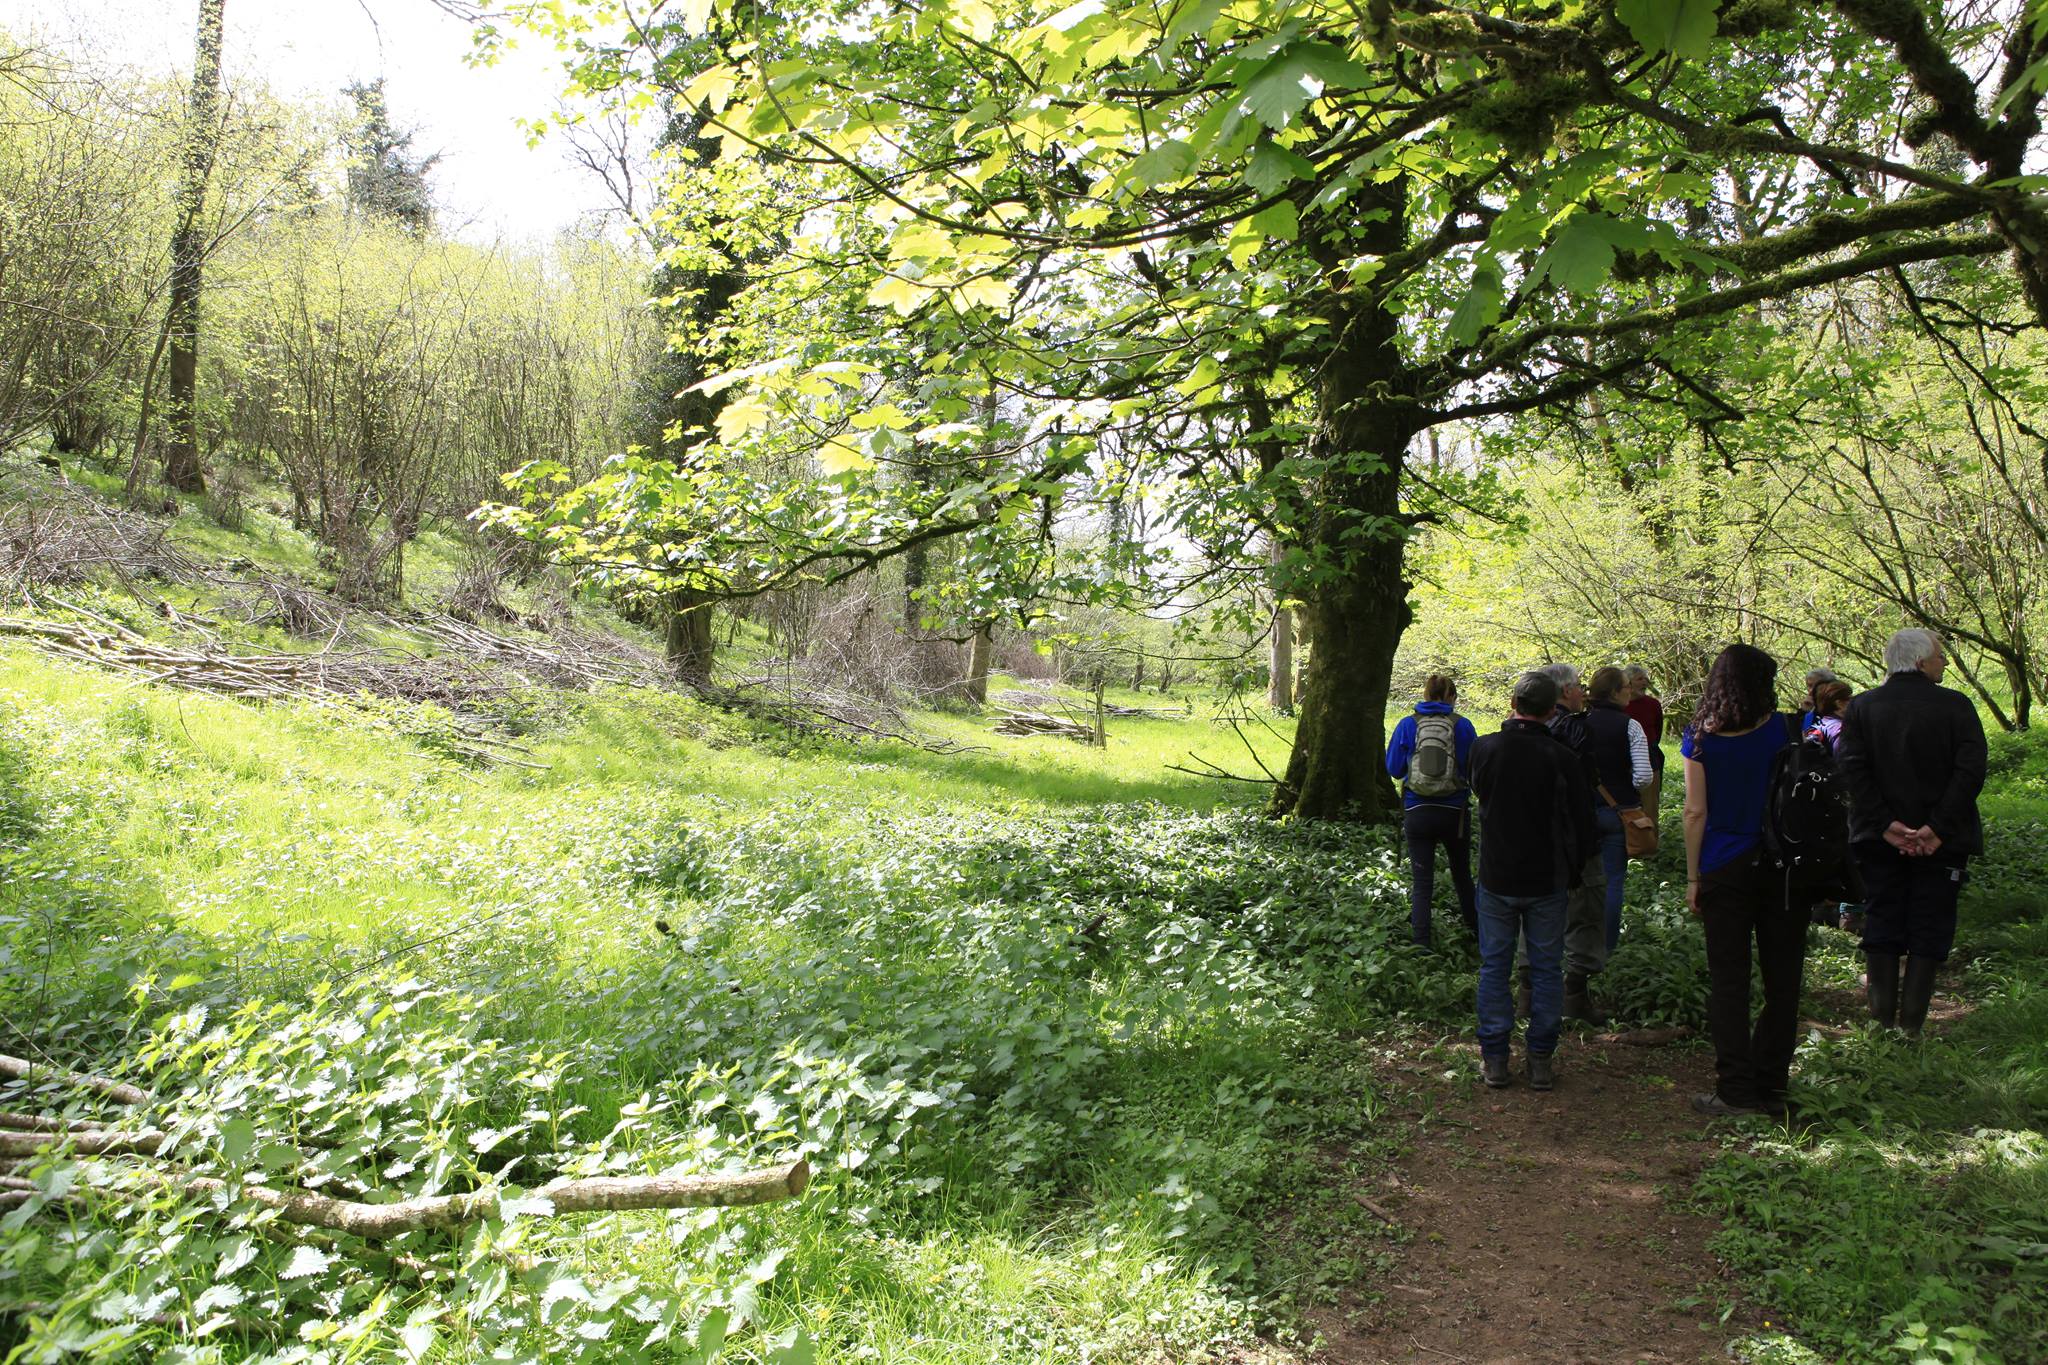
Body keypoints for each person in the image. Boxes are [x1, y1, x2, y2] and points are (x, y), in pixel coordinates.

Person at [1836, 629, 1987, 1037]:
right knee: (1931, 923)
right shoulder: (1956, 706)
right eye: (1940, 656)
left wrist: (1885, 824)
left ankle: (1882, 1024)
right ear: (1921, 662)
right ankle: (1911, 1028)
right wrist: (1937, 827)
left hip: (1877, 839)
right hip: (1943, 841)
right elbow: (1970, 770)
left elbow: (1852, 770)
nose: (1944, 663)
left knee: (1882, 918)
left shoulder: (1863, 707)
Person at [1681, 642, 1806, 1119]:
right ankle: (1772, 1085)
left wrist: (1694, 877)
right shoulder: (1786, 729)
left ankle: (1735, 1090)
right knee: (1783, 978)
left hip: (1724, 865)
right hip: (1784, 865)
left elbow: (1695, 811)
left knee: (1729, 980)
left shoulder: (1701, 737)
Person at [1470, 671, 1596, 1091]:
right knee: (1545, 970)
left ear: (1514, 703)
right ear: (1551, 709)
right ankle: (1540, 1060)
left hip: (1497, 874)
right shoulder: (1562, 757)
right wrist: (1575, 870)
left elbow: (1480, 794)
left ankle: (1496, 1060)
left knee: (1494, 967)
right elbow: (1581, 822)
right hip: (1547, 879)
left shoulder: (1484, 748)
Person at [1539, 662, 1611, 1024]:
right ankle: (1575, 996)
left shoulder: (1525, 732)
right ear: (1566, 691)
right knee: (1584, 910)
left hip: (1537, 838)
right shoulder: (1578, 730)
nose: (1584, 692)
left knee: (1537, 912)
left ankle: (1530, 994)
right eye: (1580, 687)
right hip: (1578, 836)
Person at [1385, 674, 1480, 947]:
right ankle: (1476, 933)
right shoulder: (1463, 726)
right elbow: (1472, 770)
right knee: (1462, 873)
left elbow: (1394, 769)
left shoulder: (1407, 725)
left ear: (1425, 695)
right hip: (1454, 813)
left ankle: (1421, 943)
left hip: (1417, 811)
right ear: (1451, 697)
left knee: (1422, 881)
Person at [1585, 666, 1655, 956]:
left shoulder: (1578, 723)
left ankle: (1579, 946)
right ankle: (1607, 948)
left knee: (1582, 882)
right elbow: (1643, 777)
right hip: (1618, 814)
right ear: (1614, 692)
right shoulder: (1630, 726)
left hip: (1584, 813)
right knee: (1613, 882)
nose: (1631, 690)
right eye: (1626, 686)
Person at [1623, 664, 1665, 810]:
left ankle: (1651, 833)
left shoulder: (1653, 704)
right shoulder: (1621, 705)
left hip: (1650, 757)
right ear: (1628, 683)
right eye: (1639, 679)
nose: (1644, 682)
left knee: (1650, 806)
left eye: (1646, 679)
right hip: (1624, 758)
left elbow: (1658, 731)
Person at [1799, 667, 1839, 735]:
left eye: (1817, 686)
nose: (1811, 690)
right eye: (1809, 686)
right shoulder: (1807, 710)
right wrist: (1803, 712)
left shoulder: (1840, 708)